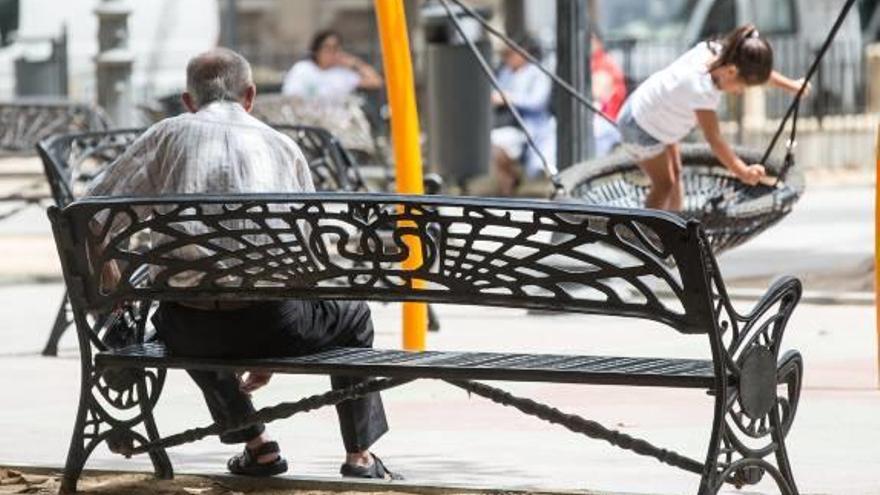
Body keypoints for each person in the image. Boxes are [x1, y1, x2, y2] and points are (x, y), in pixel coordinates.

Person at [87, 48, 400, 480]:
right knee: (354, 316)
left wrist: (115, 288)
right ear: (250, 95)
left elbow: (88, 212)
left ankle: (257, 445)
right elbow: (309, 257)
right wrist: (270, 345)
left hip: (190, 330)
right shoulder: (282, 148)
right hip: (273, 324)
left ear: (188, 101)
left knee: (186, 311)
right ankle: (360, 456)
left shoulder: (165, 136)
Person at [617, 24, 806, 211]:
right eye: (741, 87)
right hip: (641, 127)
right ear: (732, 71)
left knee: (675, 174)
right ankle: (645, 235)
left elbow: (757, 71)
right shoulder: (701, 88)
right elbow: (714, 139)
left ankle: (673, 231)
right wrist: (743, 171)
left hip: (656, 115)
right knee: (665, 184)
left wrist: (792, 86)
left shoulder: (718, 53)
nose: (739, 93)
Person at [491, 36, 555, 197]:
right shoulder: (505, 72)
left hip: (529, 126)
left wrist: (509, 98)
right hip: (504, 123)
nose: (506, 58)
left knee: (498, 145)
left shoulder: (537, 73)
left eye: (510, 53)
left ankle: (509, 186)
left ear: (523, 53)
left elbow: (537, 102)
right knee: (491, 146)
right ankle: (509, 183)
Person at [281, 29, 383, 100]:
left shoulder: (342, 74)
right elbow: (290, 97)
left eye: (335, 48)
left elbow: (376, 82)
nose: (332, 53)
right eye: (327, 48)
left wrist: (355, 63)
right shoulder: (302, 69)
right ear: (317, 50)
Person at [590, 33, 626, 156]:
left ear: (599, 43)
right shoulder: (589, 62)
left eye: (591, 40)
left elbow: (599, 93)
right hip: (598, 119)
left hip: (606, 119)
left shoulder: (606, 63)